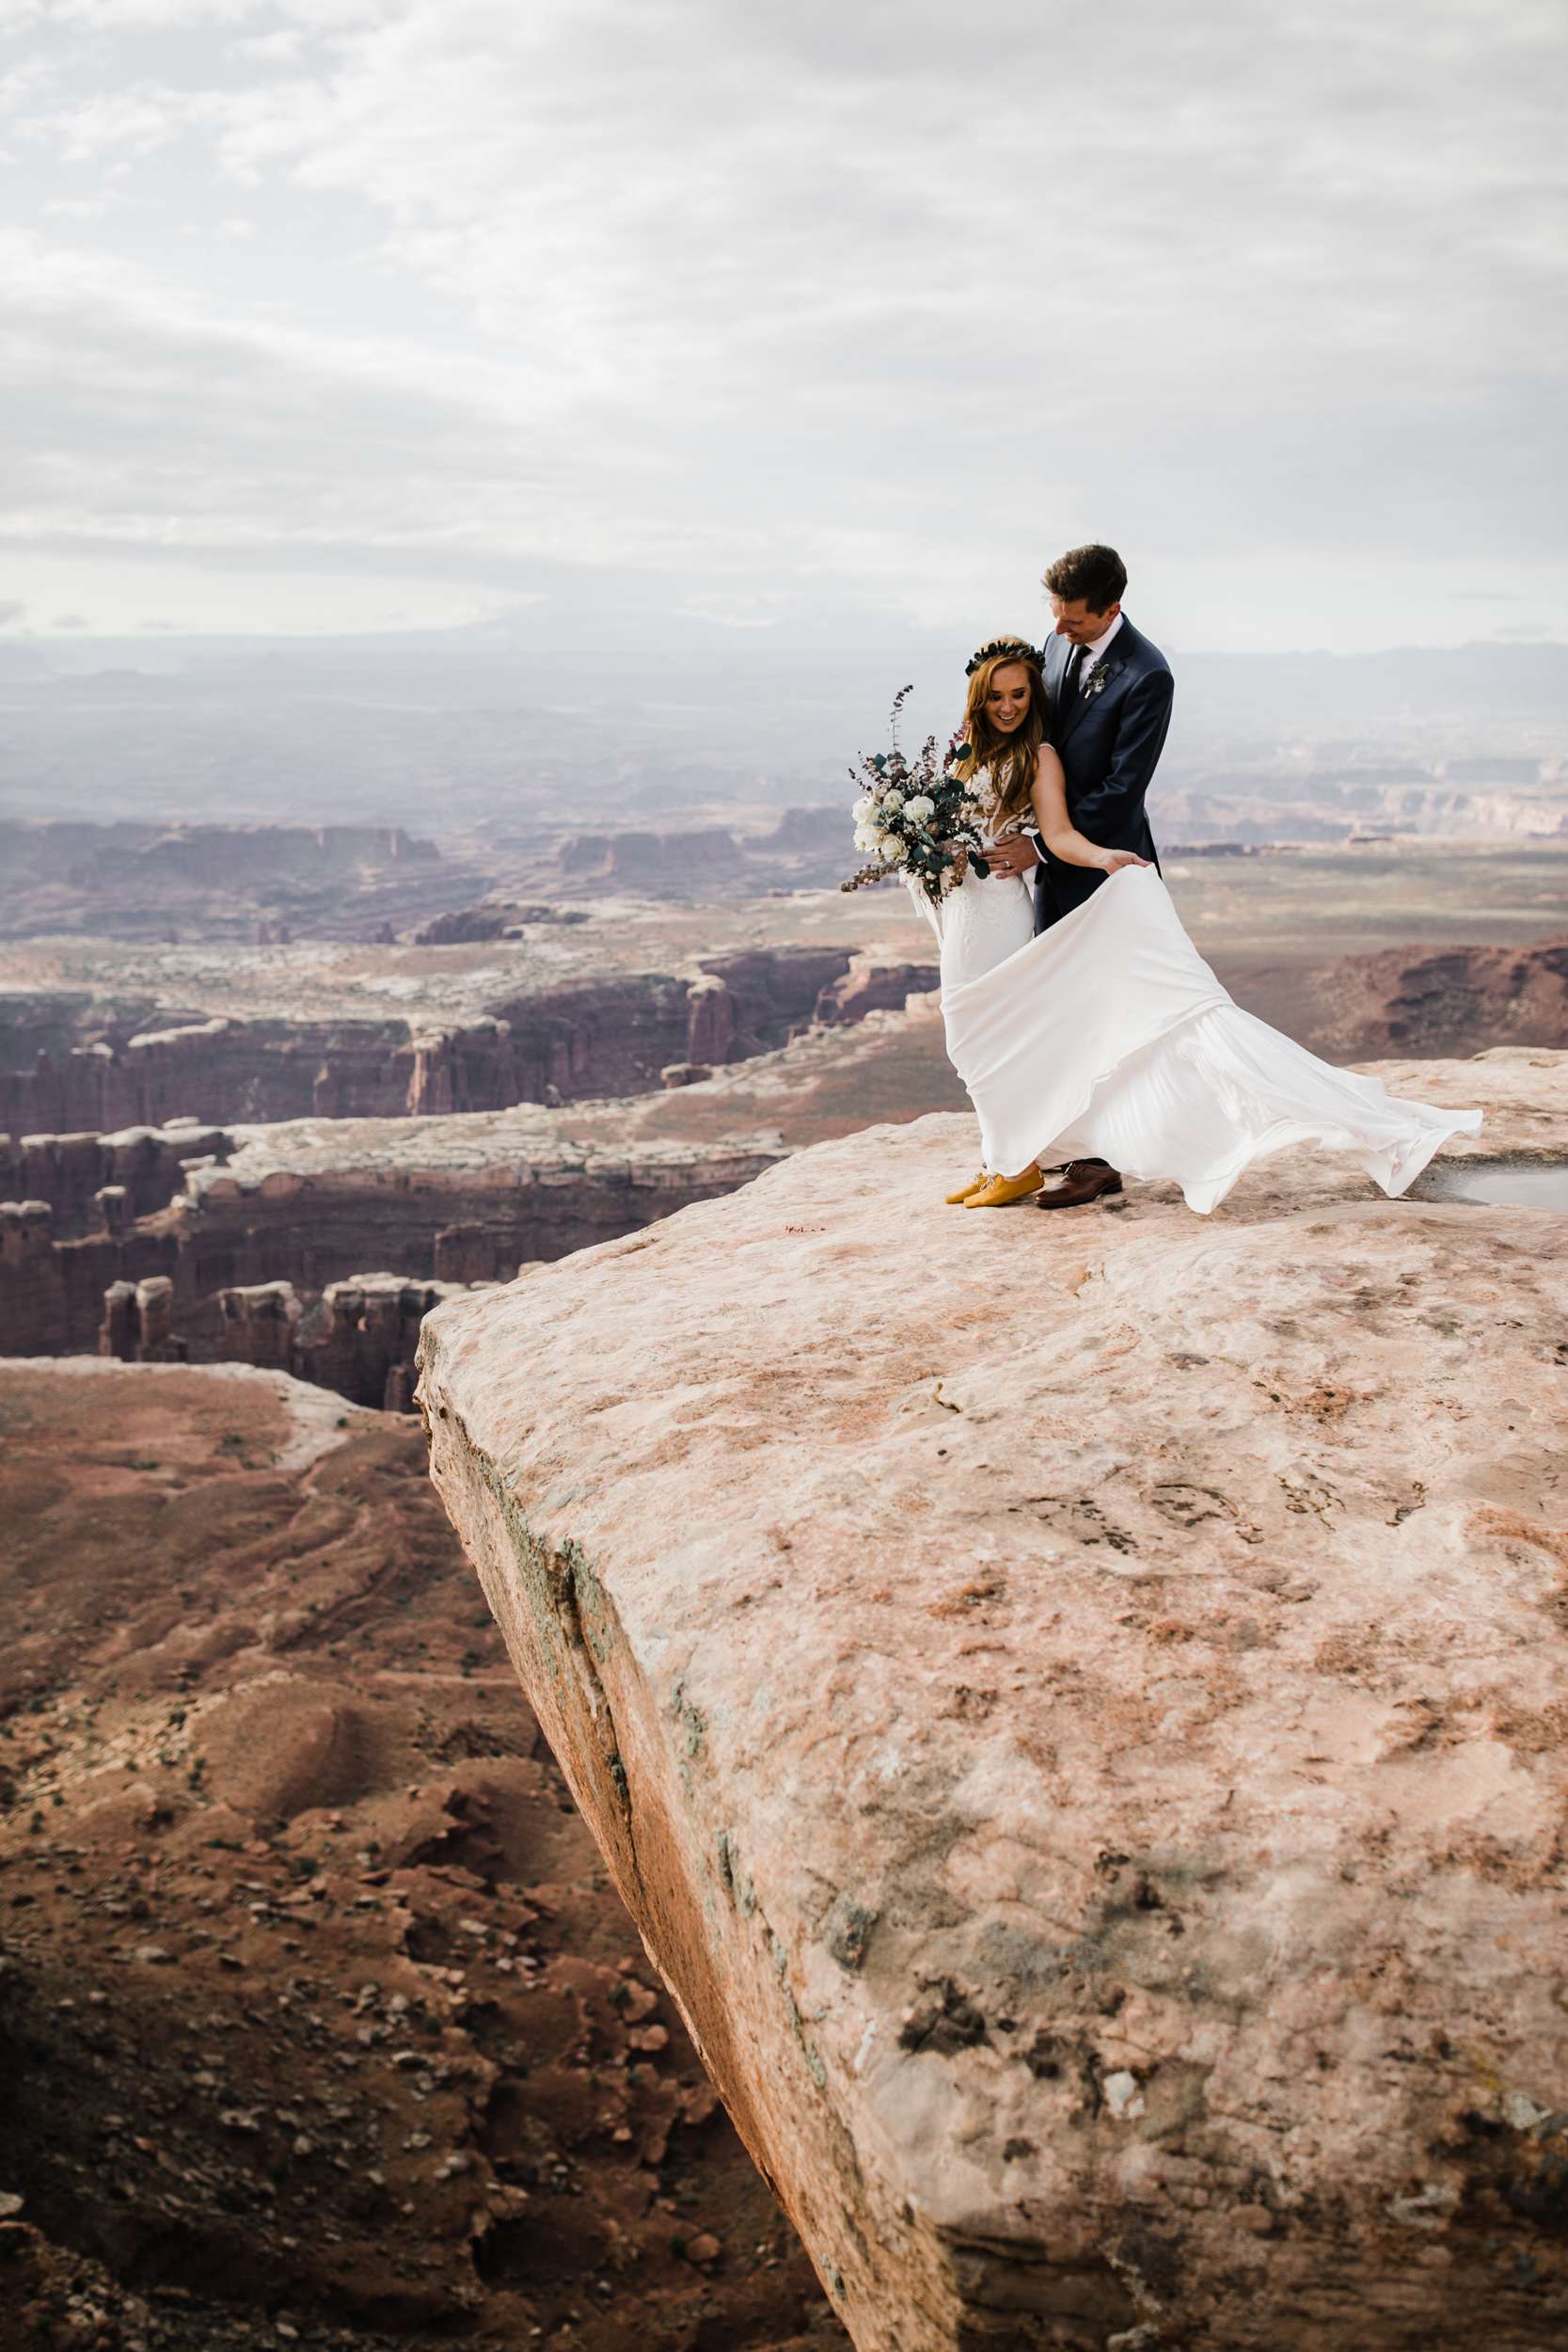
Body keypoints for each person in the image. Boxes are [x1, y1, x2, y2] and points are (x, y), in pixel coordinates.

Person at [922, 620, 1481, 1214]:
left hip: (1002, 912)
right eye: (996, 696)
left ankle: (1013, 1165)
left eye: (1020, 694)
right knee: (978, 1036)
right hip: (963, 909)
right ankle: (1005, 1161)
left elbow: (1058, 834)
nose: (1008, 706)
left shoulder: (1039, 757)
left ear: (1034, 697)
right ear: (977, 698)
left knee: (983, 1033)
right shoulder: (964, 754)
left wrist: (1103, 856)